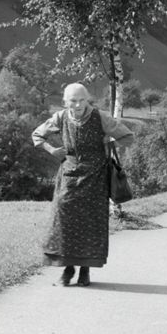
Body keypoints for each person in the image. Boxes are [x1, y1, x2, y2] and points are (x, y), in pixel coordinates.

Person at [32, 83, 134, 286]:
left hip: (95, 177)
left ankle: (85, 271)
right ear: (65, 102)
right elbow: (37, 135)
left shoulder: (101, 117)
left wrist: (109, 144)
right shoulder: (60, 117)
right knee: (64, 220)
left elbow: (128, 137)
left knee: (91, 222)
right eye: (73, 101)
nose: (78, 105)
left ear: (88, 100)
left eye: (82, 100)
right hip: (68, 176)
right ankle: (68, 269)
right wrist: (52, 150)